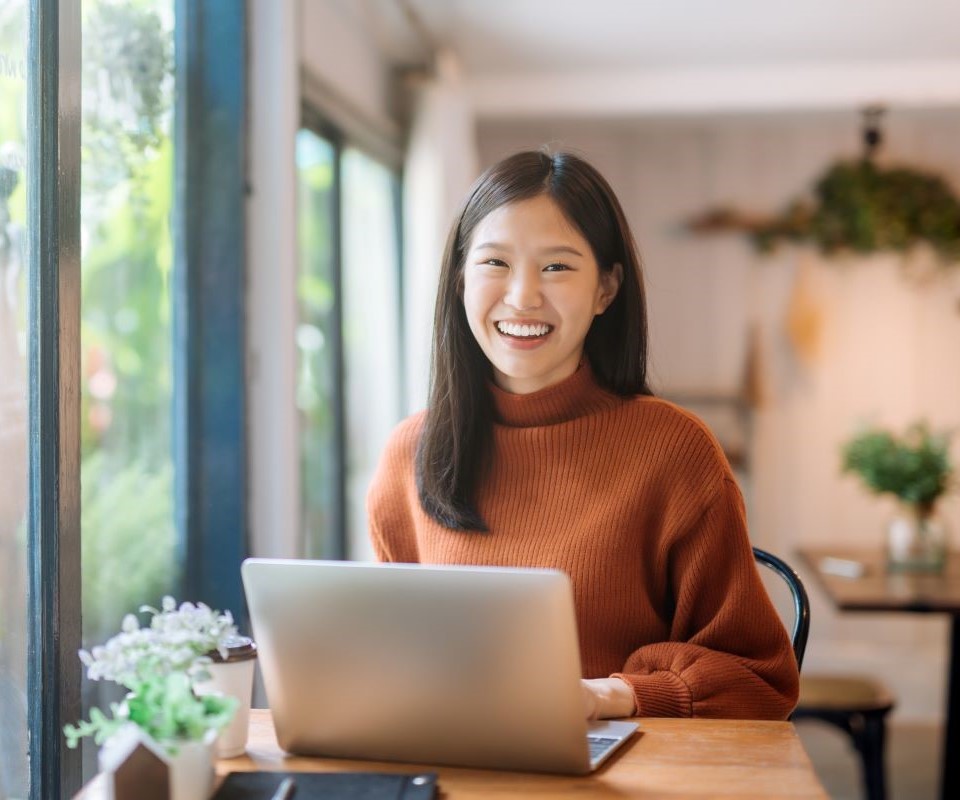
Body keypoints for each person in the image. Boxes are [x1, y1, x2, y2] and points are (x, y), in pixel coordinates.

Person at [367, 149, 799, 721]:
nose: (522, 297)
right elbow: (389, 653)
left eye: (557, 267)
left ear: (606, 289)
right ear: (459, 280)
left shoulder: (673, 451)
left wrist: (611, 696)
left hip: (620, 771)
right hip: (452, 760)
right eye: (495, 263)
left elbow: (760, 677)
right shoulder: (410, 453)